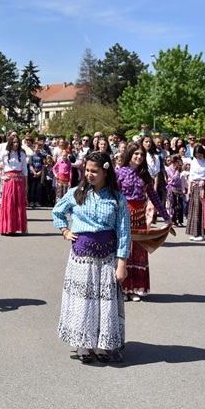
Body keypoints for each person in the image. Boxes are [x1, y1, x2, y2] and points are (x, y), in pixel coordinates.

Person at [52, 151, 131, 363]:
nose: (89, 174)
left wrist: (121, 264)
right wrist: (65, 231)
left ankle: (101, 346)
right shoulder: (76, 193)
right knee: (82, 301)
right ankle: (83, 345)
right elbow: (57, 212)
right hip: (81, 257)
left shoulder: (117, 199)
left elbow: (124, 233)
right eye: (87, 170)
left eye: (94, 171)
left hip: (107, 257)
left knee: (103, 301)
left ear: (106, 172)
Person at [115, 143, 172, 301]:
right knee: (124, 250)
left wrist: (166, 216)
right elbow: (113, 194)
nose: (139, 157)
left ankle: (133, 288)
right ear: (130, 154)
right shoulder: (120, 172)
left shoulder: (145, 174)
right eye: (136, 154)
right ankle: (121, 288)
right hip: (123, 215)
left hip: (139, 217)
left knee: (137, 252)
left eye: (141, 154)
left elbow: (153, 196)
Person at [0, 134, 28, 235]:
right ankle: (8, 228)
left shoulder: (22, 154)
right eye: (14, 142)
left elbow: (25, 170)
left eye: (17, 142)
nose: (16, 144)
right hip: (9, 182)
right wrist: (1, 176)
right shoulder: (5, 153)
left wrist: (26, 184)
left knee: (18, 204)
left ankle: (17, 227)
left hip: (19, 181)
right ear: (10, 143)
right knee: (9, 204)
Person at [185, 144, 205, 241]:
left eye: (200, 155)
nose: (198, 157)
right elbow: (191, 176)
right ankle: (194, 232)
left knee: (203, 210)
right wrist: (189, 189)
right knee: (195, 210)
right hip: (195, 186)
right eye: (197, 156)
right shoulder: (193, 162)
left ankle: (202, 233)